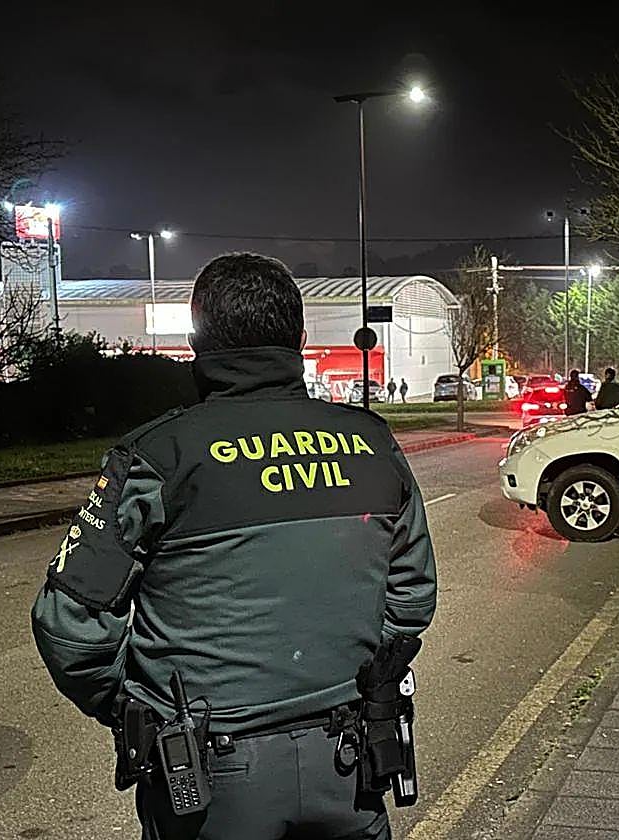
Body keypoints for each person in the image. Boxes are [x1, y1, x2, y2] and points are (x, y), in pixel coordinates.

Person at [31, 253, 437, 840]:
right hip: (350, 764)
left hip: (213, 779)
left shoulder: (159, 455)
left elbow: (70, 624)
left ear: (197, 343)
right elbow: (411, 599)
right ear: (299, 339)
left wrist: (132, 708)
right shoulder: (372, 442)